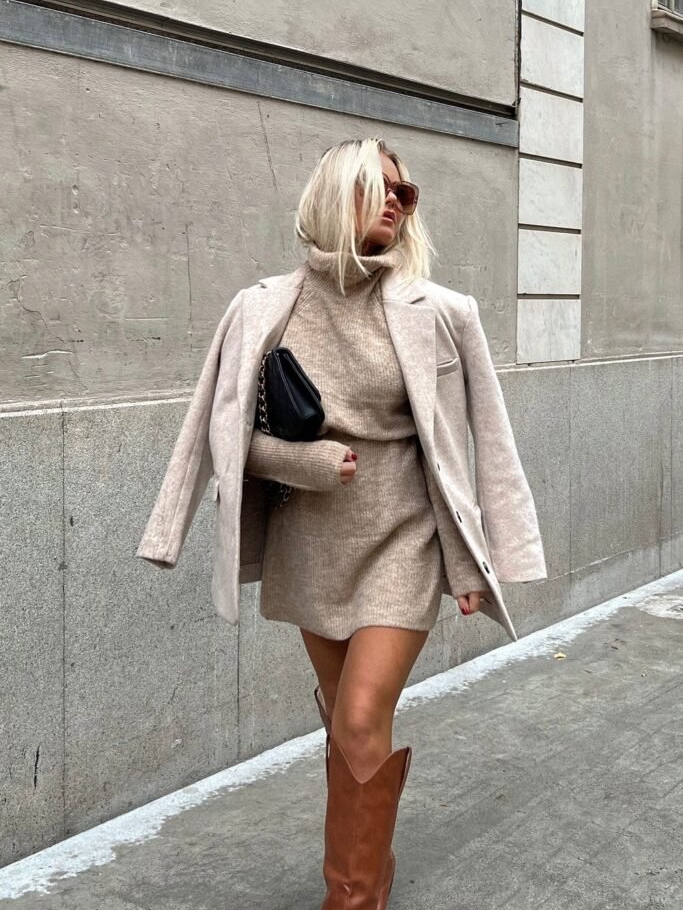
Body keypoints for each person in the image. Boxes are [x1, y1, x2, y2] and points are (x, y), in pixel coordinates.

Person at [136, 137, 548, 909]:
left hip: (406, 541)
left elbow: (484, 440)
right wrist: (302, 465)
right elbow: (217, 435)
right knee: (349, 724)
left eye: (405, 192)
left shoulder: (444, 313)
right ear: (333, 197)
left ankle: (352, 896)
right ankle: (371, 867)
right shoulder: (263, 305)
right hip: (310, 548)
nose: (396, 199)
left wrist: (481, 559)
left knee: (359, 716)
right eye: (377, 186)